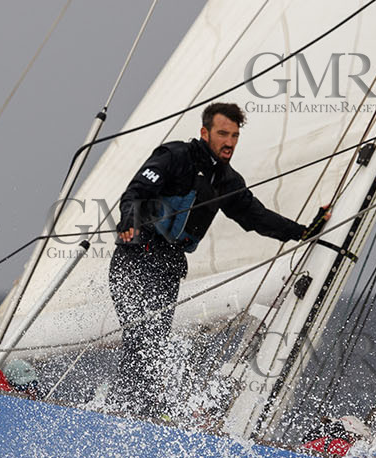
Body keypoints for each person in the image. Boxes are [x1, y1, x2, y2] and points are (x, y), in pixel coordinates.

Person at [108, 100, 330, 417]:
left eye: (235, 136)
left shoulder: (227, 180)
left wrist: (302, 232)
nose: (229, 142)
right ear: (205, 132)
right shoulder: (174, 156)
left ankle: (143, 410)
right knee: (141, 337)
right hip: (135, 260)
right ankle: (129, 408)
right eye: (223, 134)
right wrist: (128, 222)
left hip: (168, 268)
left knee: (156, 342)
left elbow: (256, 217)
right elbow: (135, 192)